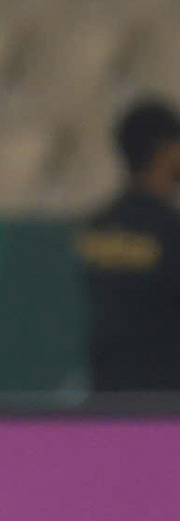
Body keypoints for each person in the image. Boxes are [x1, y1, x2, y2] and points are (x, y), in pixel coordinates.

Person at [74, 96, 180, 393]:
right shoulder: (170, 230)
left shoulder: (97, 226)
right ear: (166, 150)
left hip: (108, 391)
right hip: (164, 395)